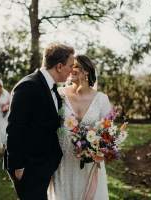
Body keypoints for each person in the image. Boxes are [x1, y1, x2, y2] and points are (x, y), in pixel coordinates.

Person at [4, 43, 75, 200]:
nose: (72, 71)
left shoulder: (53, 89)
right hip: (28, 166)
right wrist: (18, 167)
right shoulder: (28, 86)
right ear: (59, 66)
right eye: (70, 66)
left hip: (43, 165)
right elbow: (15, 129)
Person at [48, 55, 110, 200]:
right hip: (63, 161)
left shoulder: (101, 99)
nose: (70, 69)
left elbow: (108, 134)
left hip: (90, 164)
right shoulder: (59, 95)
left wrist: (98, 148)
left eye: (74, 66)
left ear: (86, 71)